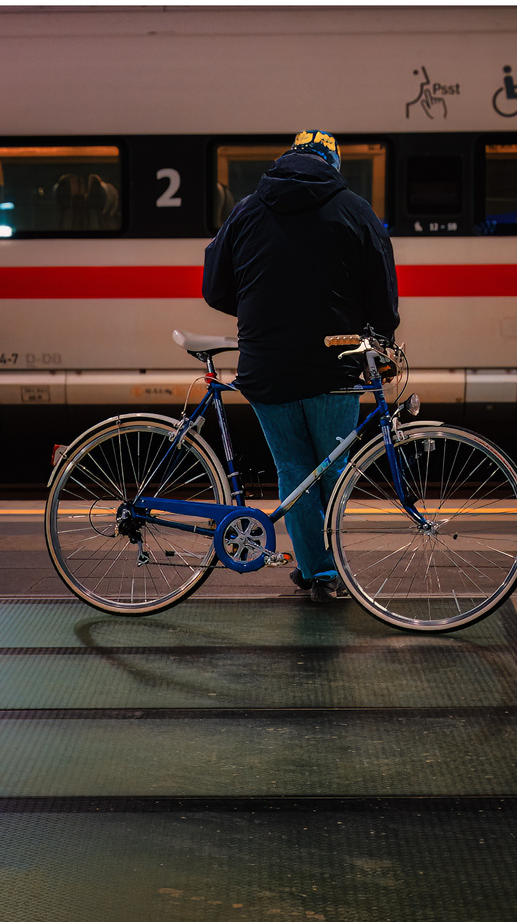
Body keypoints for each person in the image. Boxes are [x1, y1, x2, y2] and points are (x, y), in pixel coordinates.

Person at [202, 129, 400, 601]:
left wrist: (262, 313)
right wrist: (382, 335)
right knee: (332, 467)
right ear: (332, 163)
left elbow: (215, 287)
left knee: (292, 467)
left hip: (265, 364)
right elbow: (382, 290)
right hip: (333, 364)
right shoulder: (354, 208)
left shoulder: (247, 208)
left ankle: (317, 573)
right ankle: (330, 573)